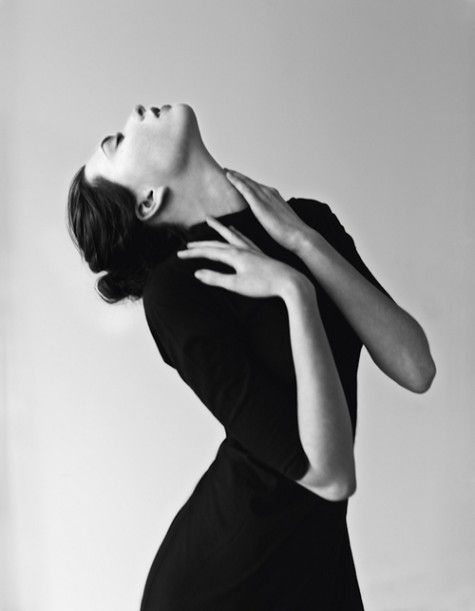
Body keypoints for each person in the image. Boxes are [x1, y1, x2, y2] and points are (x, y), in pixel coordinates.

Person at [67, 102, 436, 610]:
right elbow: (329, 477)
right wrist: (294, 291)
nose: (133, 113)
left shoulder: (306, 220)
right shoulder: (178, 291)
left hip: (318, 562)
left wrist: (303, 242)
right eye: (117, 142)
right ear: (148, 201)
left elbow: (416, 367)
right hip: (224, 585)